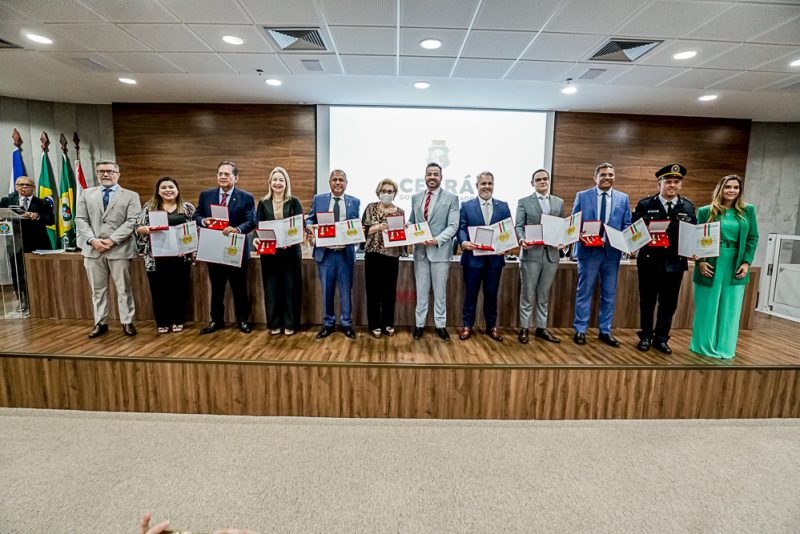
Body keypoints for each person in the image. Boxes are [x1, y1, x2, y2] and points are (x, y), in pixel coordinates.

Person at [690, 175, 758, 359]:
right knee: (707, 306)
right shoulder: (706, 211)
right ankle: (703, 345)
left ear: (739, 191)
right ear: (721, 189)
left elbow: (753, 238)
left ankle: (725, 347)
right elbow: (697, 239)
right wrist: (700, 262)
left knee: (731, 307)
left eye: (736, 187)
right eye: (728, 187)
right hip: (710, 262)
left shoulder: (748, 211)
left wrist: (746, 262)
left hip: (735, 262)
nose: (732, 191)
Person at [633, 164, 696, 354]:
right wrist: (633, 244)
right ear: (659, 183)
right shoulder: (646, 205)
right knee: (647, 302)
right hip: (649, 262)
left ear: (680, 185)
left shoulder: (688, 206)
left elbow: (693, 233)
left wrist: (695, 249)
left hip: (675, 263)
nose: (672, 185)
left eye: (676, 182)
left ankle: (661, 338)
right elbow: (634, 231)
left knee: (669, 304)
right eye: (668, 181)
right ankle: (645, 336)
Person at [75, 160, 142, 338]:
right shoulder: (87, 194)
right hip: (93, 250)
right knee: (97, 290)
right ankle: (100, 322)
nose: (105, 174)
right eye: (101, 171)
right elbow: (80, 219)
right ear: (97, 174)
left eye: (110, 171)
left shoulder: (131, 195)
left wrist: (112, 240)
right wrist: (92, 240)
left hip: (120, 249)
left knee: (124, 288)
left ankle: (127, 322)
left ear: (118, 174)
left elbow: (133, 221)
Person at [571, 162, 631, 347]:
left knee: (609, 294)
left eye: (611, 175)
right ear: (595, 178)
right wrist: (578, 233)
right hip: (588, 252)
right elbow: (574, 222)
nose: (607, 177)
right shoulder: (582, 196)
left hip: (611, 253)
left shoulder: (623, 198)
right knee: (584, 292)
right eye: (603, 174)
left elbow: (627, 223)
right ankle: (580, 330)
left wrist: (629, 239)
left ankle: (605, 330)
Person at [194, 161, 257, 334]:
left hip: (235, 249)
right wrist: (203, 221)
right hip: (213, 249)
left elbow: (252, 221)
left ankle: (243, 321)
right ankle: (216, 321)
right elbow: (197, 214)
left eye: (227, 174)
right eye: (220, 173)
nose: (222, 177)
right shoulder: (206, 195)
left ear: (236, 178)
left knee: (239, 289)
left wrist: (237, 229)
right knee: (217, 288)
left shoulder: (246, 197)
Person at [135, 176, 195, 334]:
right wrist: (146, 229)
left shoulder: (187, 207)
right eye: (164, 188)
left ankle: (178, 320)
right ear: (158, 191)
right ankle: (162, 322)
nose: (168, 190)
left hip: (181, 256)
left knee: (180, 289)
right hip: (156, 257)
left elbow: (195, 229)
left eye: (171, 187)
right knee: (159, 290)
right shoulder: (150, 207)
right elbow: (138, 228)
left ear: (177, 190)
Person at [305, 169, 361, 339]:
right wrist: (309, 226)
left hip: (345, 254)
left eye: (341, 180)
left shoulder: (355, 202)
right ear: (329, 182)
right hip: (326, 254)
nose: (338, 182)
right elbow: (310, 218)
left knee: (345, 291)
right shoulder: (319, 199)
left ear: (346, 183)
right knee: (327, 291)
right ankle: (328, 324)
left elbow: (356, 225)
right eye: (334, 179)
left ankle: (346, 324)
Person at [456, 171, 510, 341]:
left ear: (493, 185)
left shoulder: (503, 206)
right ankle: (467, 326)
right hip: (473, 259)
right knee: (470, 295)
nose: (487, 186)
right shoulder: (466, 205)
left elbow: (507, 230)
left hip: (494, 260)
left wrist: (506, 247)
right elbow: (461, 228)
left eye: (490, 183)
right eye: (483, 183)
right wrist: (463, 243)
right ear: (477, 185)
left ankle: (492, 327)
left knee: (492, 295)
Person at [408, 162, 459, 341]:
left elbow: (453, 226)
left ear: (441, 177)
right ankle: (419, 325)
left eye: (435, 174)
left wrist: (436, 240)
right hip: (420, 252)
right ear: (425, 176)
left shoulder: (451, 198)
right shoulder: (415, 197)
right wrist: (404, 228)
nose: (432, 177)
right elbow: (412, 221)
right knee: (421, 292)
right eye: (429, 174)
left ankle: (440, 325)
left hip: (440, 252)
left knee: (440, 293)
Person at [514, 169, 564, 344]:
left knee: (543, 294)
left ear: (549, 181)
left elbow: (561, 227)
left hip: (551, 255)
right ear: (532, 183)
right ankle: (525, 328)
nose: (542, 181)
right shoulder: (524, 202)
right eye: (538, 179)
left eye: (545, 179)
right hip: (531, 254)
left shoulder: (558, 202)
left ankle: (542, 328)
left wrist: (563, 240)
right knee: (527, 294)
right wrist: (521, 240)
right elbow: (519, 226)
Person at [253, 166, 303, 336]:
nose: (278, 183)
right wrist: (257, 237)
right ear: (270, 183)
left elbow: (299, 225)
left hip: (290, 252)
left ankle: (290, 323)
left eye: (281, 180)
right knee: (272, 288)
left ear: (286, 183)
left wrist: (292, 239)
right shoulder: (263, 202)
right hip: (269, 252)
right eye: (275, 179)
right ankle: (274, 323)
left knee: (290, 288)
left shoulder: (294, 201)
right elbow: (258, 225)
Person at [0, 175, 54, 311]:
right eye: (20, 185)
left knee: (39, 272)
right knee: (17, 272)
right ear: (16, 187)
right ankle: (22, 300)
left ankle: (41, 299)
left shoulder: (43, 202)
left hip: (38, 242)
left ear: (33, 188)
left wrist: (37, 216)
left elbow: (50, 220)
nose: (24, 187)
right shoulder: (7, 201)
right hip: (15, 242)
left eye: (27, 185)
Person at [361, 178, 404, 338]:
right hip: (373, 255)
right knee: (373, 291)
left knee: (389, 291)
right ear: (378, 192)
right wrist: (378, 227)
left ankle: (388, 323)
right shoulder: (371, 208)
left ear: (395, 194)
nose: (386, 194)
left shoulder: (400, 212)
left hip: (391, 256)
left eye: (390, 191)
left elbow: (401, 237)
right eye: (384, 191)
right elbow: (363, 231)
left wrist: (403, 231)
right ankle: (374, 324)